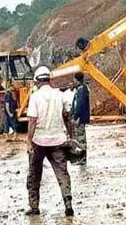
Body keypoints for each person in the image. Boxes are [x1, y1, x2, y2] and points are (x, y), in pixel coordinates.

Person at [25, 66, 75, 217]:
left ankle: (34, 207)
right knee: (62, 172)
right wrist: (71, 137)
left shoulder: (35, 97)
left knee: (34, 174)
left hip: (38, 142)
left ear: (37, 81)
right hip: (58, 140)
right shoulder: (59, 95)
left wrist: (28, 141)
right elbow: (67, 117)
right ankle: (68, 204)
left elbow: (32, 121)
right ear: (50, 79)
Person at [71, 72, 90, 165]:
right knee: (81, 137)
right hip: (81, 117)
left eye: (74, 79)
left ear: (77, 79)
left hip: (80, 118)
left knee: (81, 138)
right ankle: (82, 158)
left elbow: (79, 105)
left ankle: (82, 159)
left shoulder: (81, 89)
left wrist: (75, 116)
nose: (73, 81)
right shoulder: (82, 88)